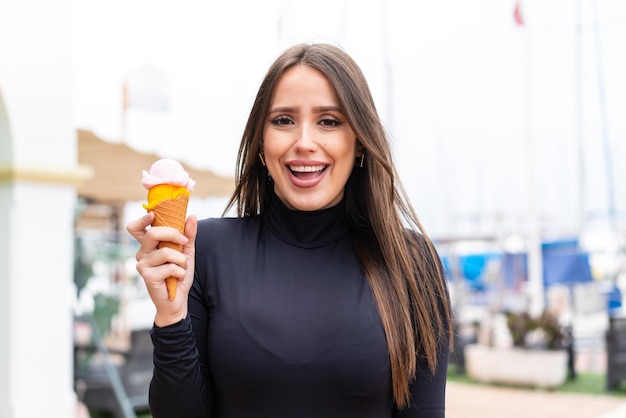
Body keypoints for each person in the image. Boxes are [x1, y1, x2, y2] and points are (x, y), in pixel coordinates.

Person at [127, 42, 453, 418]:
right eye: (283, 120)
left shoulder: (411, 263)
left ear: (360, 143)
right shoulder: (205, 250)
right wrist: (170, 316)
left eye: (328, 121)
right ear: (262, 145)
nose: (304, 143)